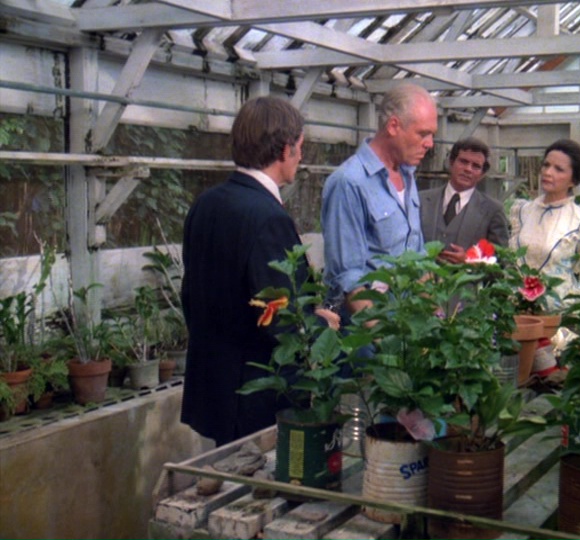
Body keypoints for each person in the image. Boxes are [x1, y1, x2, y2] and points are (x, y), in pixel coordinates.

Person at [180, 96, 339, 446]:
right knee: (258, 473)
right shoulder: (267, 217)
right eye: (300, 147)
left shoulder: (206, 203)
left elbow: (193, 294)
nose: (301, 156)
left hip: (215, 385)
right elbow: (279, 321)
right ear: (284, 149)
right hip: (255, 396)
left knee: (226, 466)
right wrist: (321, 326)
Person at [322, 83, 438, 316]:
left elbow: (418, 259)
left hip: (404, 322)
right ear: (393, 126)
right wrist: (381, 334)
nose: (430, 144)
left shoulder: (407, 175)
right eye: (422, 134)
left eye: (432, 135)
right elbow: (349, 279)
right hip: (366, 327)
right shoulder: (350, 182)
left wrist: (436, 318)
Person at [509, 138, 580, 378]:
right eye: (546, 165)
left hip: (558, 325)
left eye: (559, 169)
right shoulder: (521, 211)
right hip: (516, 317)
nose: (548, 172)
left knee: (550, 385)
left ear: (573, 180)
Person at [420, 137, 509, 264]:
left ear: (482, 174)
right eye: (463, 162)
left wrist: (470, 261)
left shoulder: (493, 210)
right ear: (451, 162)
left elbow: (501, 261)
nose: (468, 169)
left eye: (476, 166)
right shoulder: (421, 200)